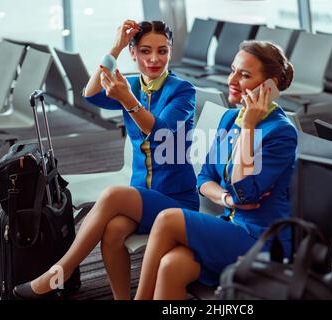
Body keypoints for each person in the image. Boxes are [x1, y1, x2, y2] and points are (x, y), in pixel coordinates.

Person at [13, 20, 199, 300]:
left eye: (162, 51)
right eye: (145, 51)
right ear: (133, 54)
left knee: (111, 195)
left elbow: (160, 132)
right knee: (112, 233)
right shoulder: (133, 84)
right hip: (142, 196)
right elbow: (90, 93)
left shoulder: (183, 91)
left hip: (176, 200)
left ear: (170, 52)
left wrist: (128, 101)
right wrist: (116, 47)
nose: (154, 59)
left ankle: (59, 271)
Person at [134, 40, 298, 299]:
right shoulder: (230, 118)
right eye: (233, 70)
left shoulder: (281, 132)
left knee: (167, 219)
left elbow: (245, 193)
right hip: (231, 225)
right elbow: (204, 178)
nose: (232, 79)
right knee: (171, 266)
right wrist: (225, 198)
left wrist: (249, 128)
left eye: (244, 75)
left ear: (271, 84)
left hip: (262, 241)